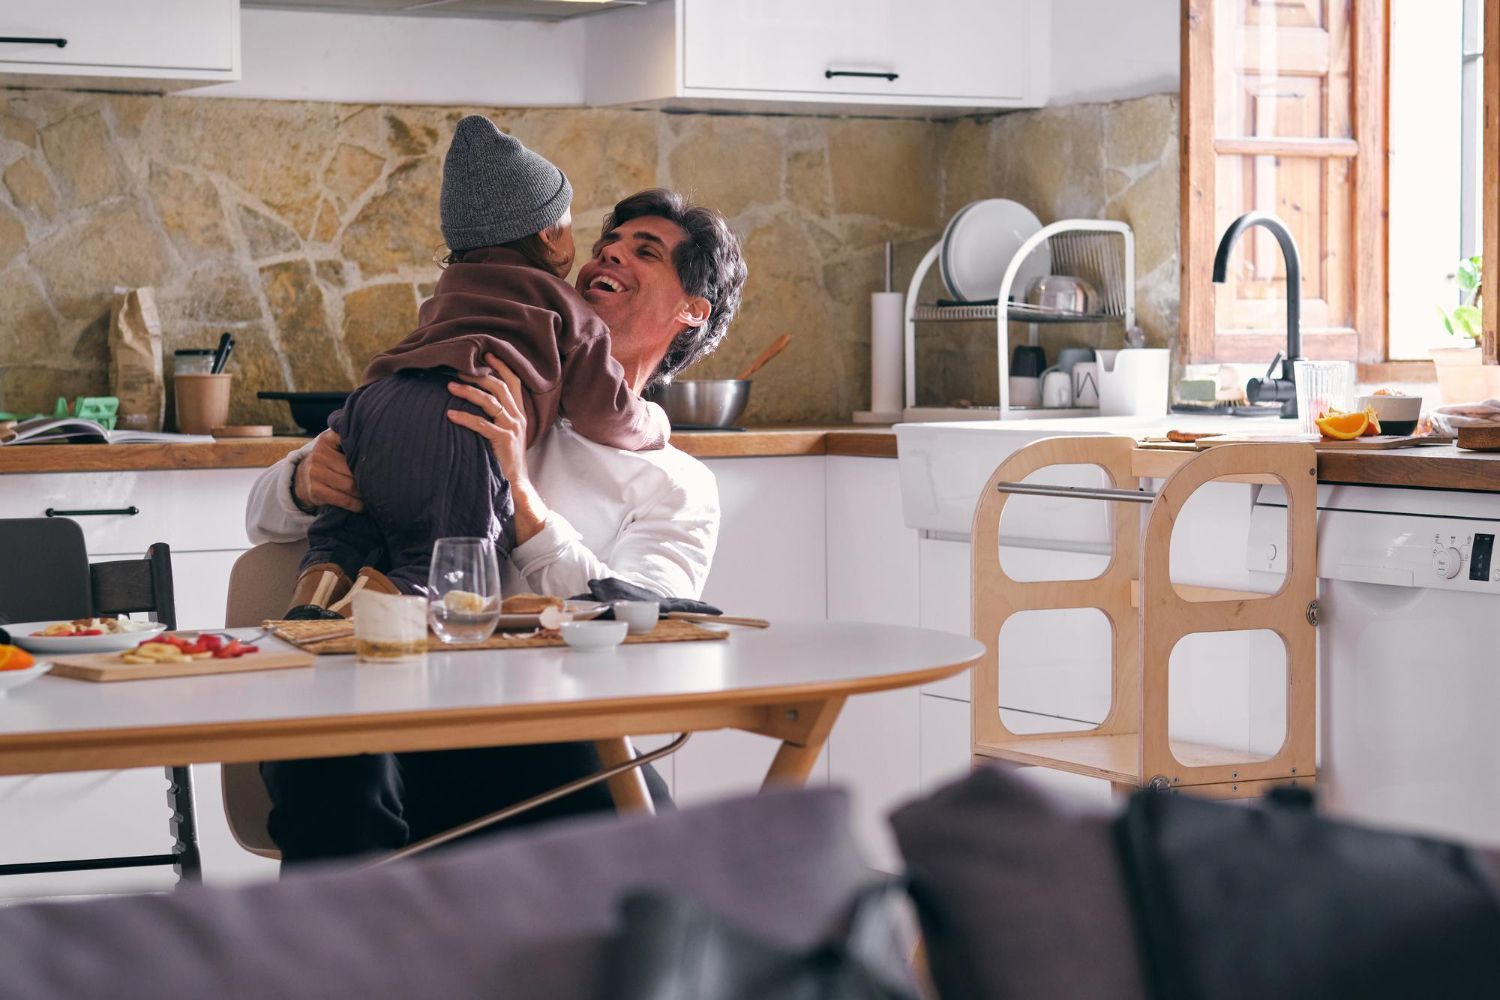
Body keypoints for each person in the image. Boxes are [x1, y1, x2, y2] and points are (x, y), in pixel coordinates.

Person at [245, 187, 747, 864]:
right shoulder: (479, 383)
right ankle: (335, 966)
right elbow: (262, 520)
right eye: (609, 243)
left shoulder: (678, 483)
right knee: (330, 756)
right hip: (394, 715)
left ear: (691, 311)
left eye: (645, 251)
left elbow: (647, 625)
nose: (611, 253)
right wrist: (303, 485)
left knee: (648, 838)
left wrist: (522, 498)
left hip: (549, 735)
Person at [290, 117, 669, 614]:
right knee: (446, 566)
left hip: (372, 404)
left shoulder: (451, 287)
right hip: (461, 416)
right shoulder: (562, 307)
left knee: (347, 532)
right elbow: (605, 411)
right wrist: (652, 421)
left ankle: (320, 582)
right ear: (551, 235)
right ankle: (351, 620)